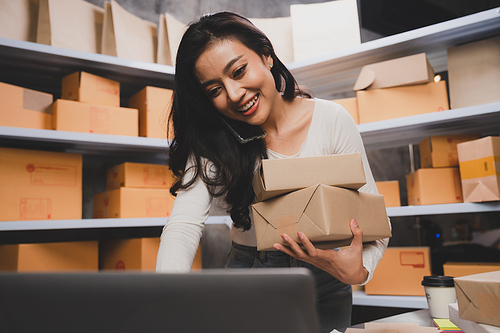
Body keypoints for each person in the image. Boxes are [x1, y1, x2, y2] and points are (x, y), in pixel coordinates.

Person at [156, 11, 390, 332]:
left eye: (239, 71)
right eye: (214, 89)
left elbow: (375, 217)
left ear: (266, 55)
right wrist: (165, 302)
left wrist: (359, 269)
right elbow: (183, 226)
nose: (234, 94)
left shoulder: (331, 119)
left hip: (326, 279)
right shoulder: (215, 142)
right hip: (251, 275)